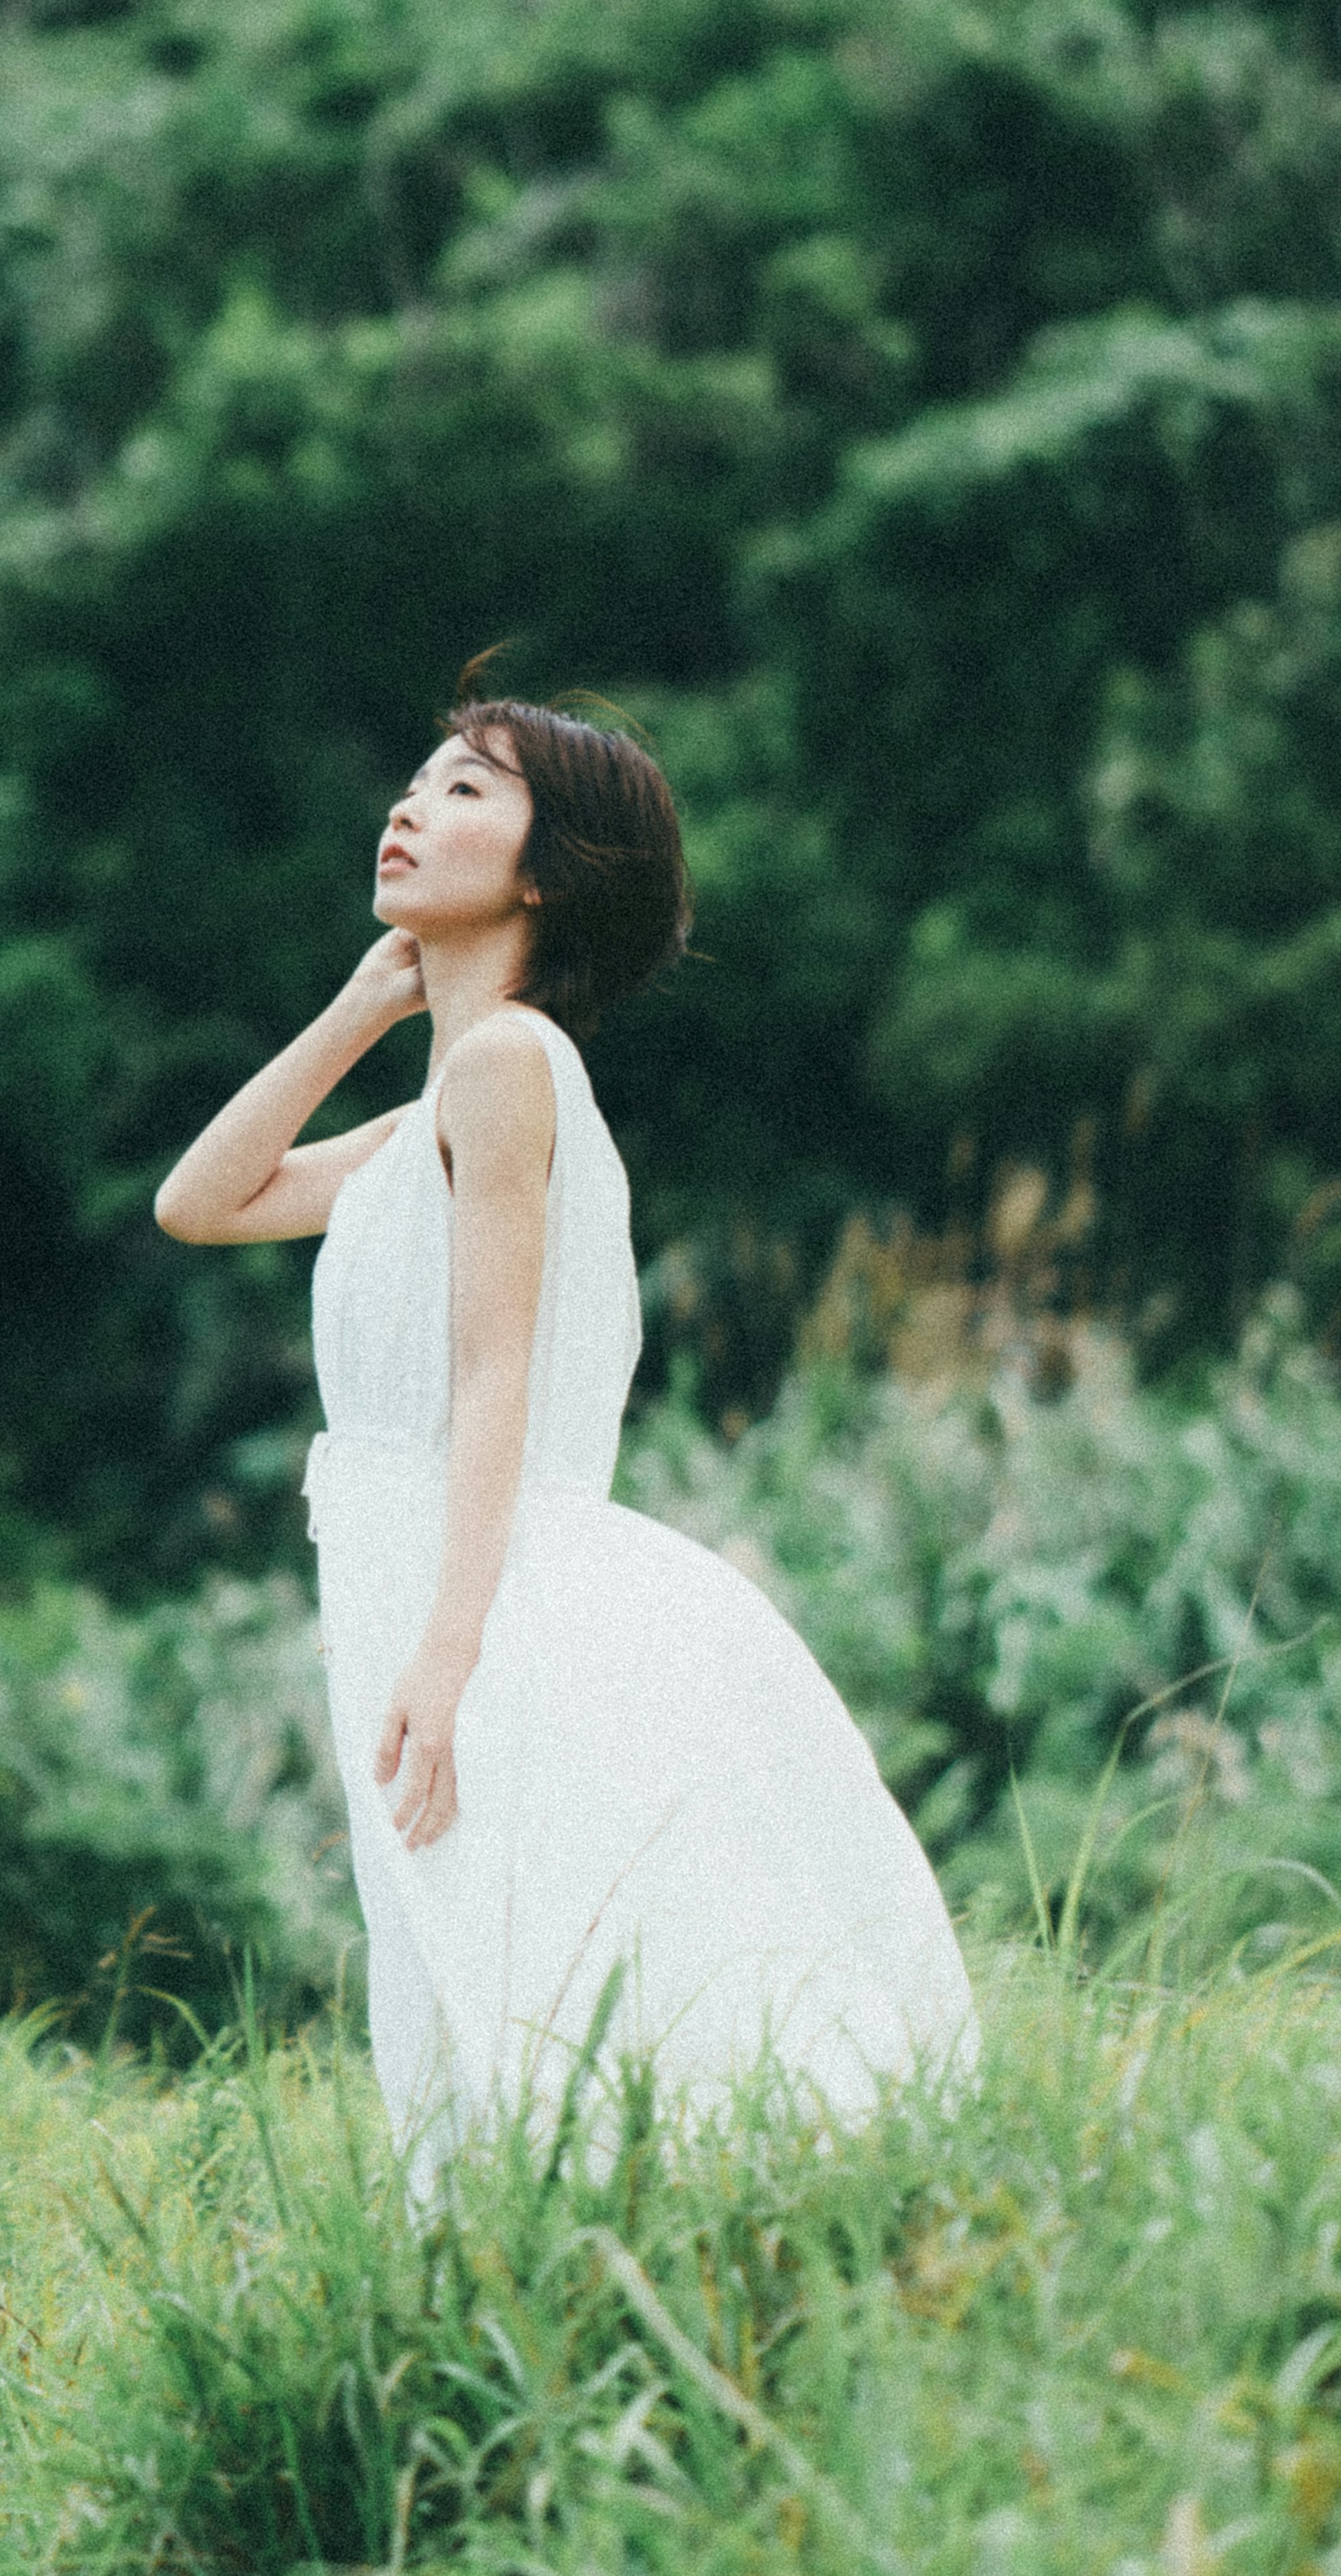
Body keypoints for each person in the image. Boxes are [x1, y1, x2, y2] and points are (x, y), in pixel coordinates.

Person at [156, 681, 977, 2191]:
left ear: (548, 869)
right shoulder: (441, 1101)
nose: (410, 806)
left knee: (543, 1985)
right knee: (494, 1981)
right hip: (440, 1578)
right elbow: (204, 1202)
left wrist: (451, 1646)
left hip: (495, 1595)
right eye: (415, 779)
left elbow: (496, 1377)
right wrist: (362, 1006)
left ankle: (640, 2271)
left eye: (467, 790)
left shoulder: (508, 1067)